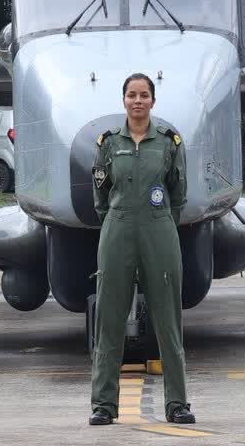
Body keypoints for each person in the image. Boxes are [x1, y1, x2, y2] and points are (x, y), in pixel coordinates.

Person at [89, 73, 194, 426]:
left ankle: (177, 403)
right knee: (109, 319)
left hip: (158, 229)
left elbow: (178, 194)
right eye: (132, 95)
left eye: (144, 95)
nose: (138, 101)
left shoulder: (168, 142)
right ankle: (104, 404)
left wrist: (159, 220)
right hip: (117, 229)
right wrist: (117, 220)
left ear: (152, 101)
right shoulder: (107, 143)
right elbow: (100, 196)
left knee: (168, 318)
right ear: (124, 101)